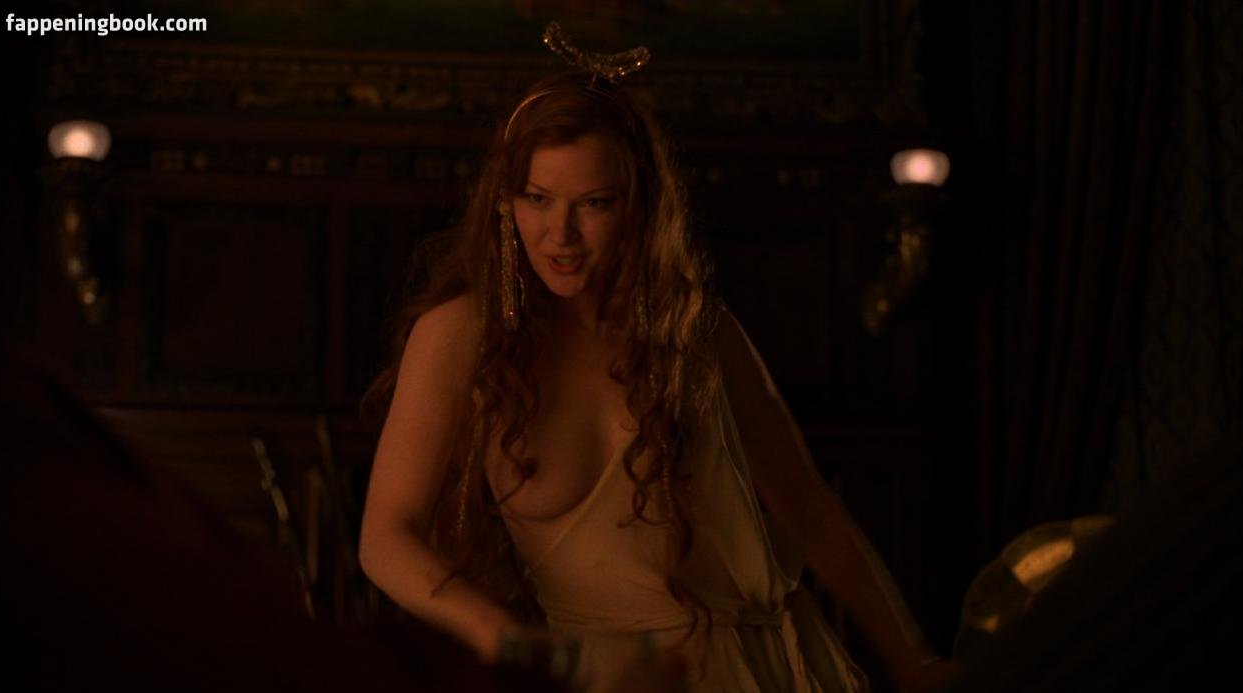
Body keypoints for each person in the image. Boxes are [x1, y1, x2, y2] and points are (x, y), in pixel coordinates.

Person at [359, 70, 949, 692]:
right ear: (506, 200)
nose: (561, 234)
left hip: (755, 672)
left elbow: (808, 509)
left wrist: (915, 663)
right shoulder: (463, 334)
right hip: (600, 678)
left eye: (593, 203)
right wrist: (506, 638)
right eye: (538, 199)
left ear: (638, 205)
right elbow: (384, 538)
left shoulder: (697, 330)